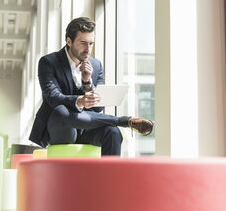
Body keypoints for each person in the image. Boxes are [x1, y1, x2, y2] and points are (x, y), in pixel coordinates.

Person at [29, 17, 154, 155]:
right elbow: (52, 97)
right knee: (61, 111)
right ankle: (123, 121)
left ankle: (109, 177)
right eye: (83, 43)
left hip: (86, 129)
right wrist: (79, 101)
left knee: (113, 132)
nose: (88, 49)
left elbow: (98, 107)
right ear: (69, 41)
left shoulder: (96, 65)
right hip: (61, 129)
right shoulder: (48, 62)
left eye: (91, 43)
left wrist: (87, 82)